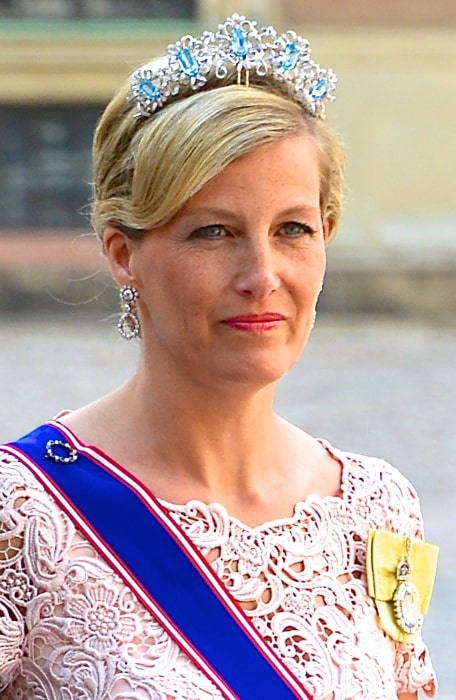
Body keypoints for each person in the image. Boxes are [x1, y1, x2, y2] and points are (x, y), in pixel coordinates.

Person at [0, 14, 438, 700]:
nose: (262, 275)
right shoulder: (23, 515)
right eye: (213, 232)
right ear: (123, 254)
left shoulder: (375, 507)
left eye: (291, 229)